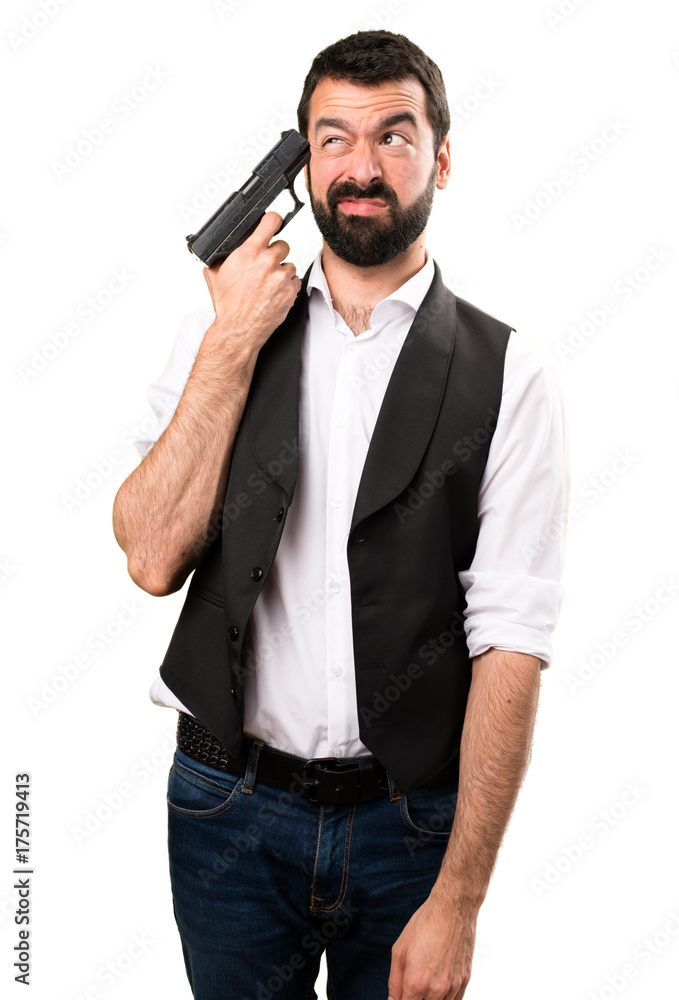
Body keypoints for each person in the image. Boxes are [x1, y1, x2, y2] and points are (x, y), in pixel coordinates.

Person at [112, 29, 570, 1000]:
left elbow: (510, 645)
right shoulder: (222, 327)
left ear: (440, 158)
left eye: (393, 138)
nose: (361, 167)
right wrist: (233, 336)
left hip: (409, 827)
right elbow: (151, 554)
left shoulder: (510, 375)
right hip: (224, 806)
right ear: (303, 158)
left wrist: (460, 899)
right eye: (333, 139)